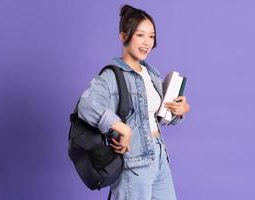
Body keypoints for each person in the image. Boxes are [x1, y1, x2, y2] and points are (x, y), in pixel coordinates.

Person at [78, 4, 190, 200]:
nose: (147, 42)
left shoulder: (150, 73)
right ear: (123, 37)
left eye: (151, 36)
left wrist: (179, 110)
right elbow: (86, 105)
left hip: (160, 158)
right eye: (140, 35)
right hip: (134, 165)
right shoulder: (112, 75)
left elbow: (159, 117)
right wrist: (123, 128)